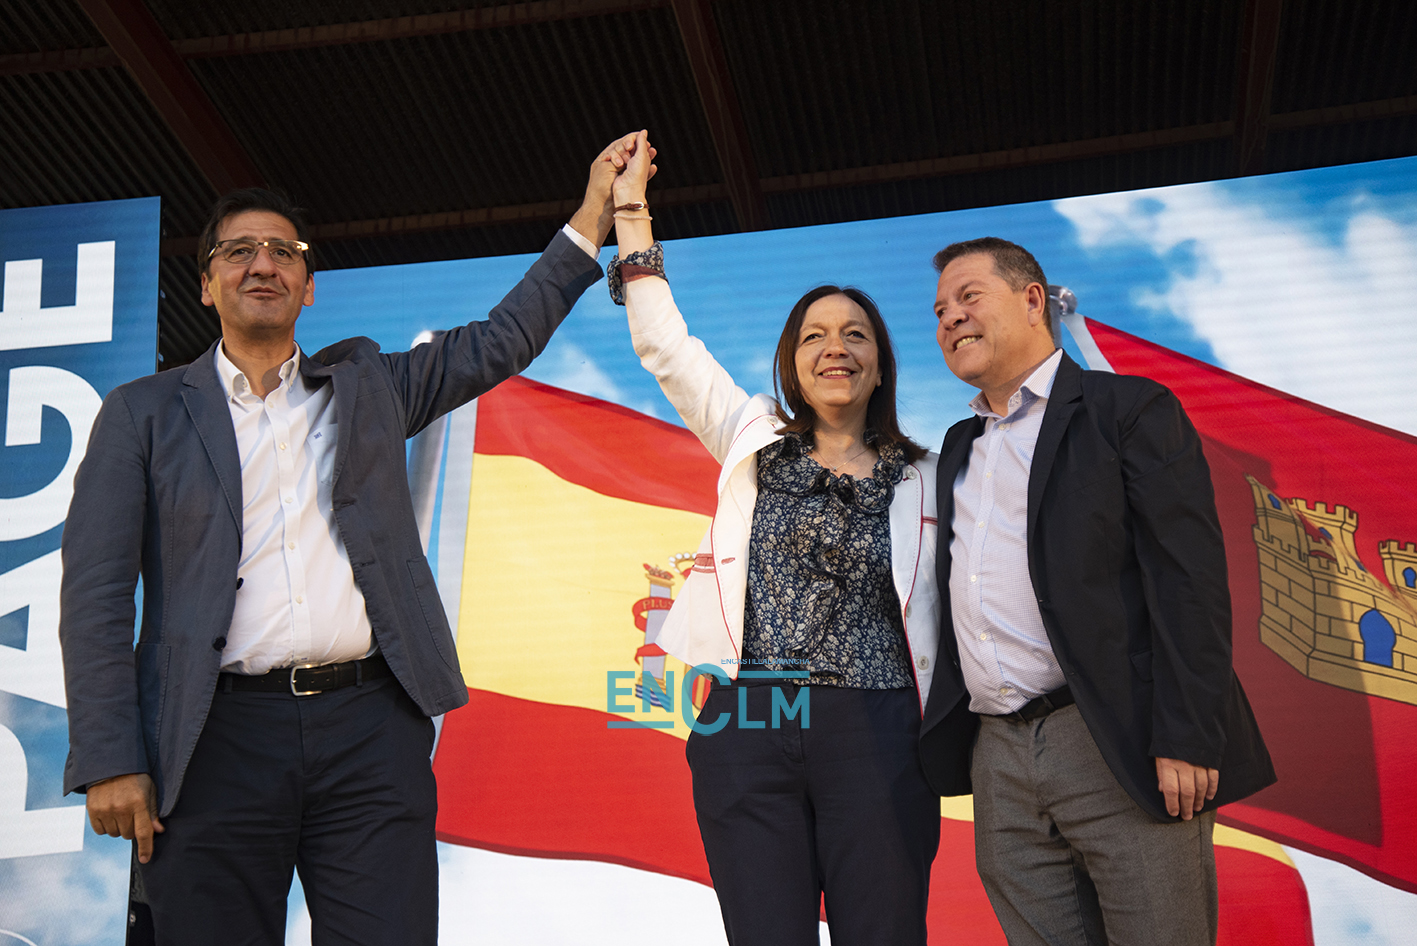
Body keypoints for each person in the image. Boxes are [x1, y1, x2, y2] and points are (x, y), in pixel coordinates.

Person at [58, 133, 649, 945]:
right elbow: (94, 593)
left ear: (308, 289)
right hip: (211, 739)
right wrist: (109, 757)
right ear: (205, 285)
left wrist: (592, 215)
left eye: (283, 252)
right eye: (238, 252)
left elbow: (501, 338)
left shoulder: (369, 387)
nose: (262, 265)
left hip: (369, 731)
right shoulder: (141, 412)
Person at [606, 131, 942, 946]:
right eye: (814, 335)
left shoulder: (929, 477)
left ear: (879, 364)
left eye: (855, 334)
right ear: (791, 363)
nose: (835, 348)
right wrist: (631, 212)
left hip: (878, 725)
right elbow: (664, 347)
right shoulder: (751, 437)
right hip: (749, 719)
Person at [918, 237, 1276, 945]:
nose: (950, 318)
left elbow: (1188, 580)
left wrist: (1185, 734)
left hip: (1117, 736)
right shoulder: (957, 445)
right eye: (938, 311)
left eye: (968, 297)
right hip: (998, 757)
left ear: (1032, 301)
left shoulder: (1128, 409)